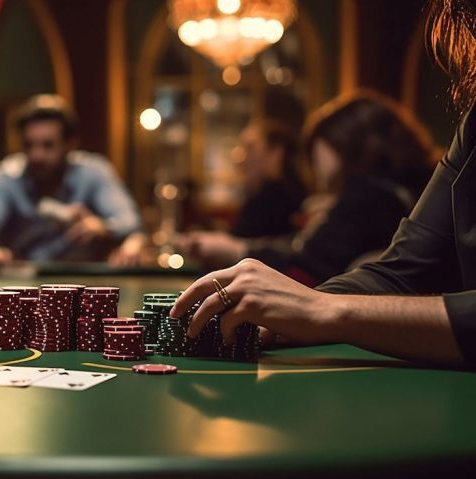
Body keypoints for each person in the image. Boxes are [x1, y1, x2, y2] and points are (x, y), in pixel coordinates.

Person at [171, 0, 476, 367]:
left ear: (344, 144)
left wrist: (325, 309)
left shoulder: (369, 194)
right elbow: (401, 271)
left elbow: (314, 265)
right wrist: (295, 317)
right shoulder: (472, 124)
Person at [176, 91, 437, 287]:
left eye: (317, 145)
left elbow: (311, 260)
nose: (313, 160)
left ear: (342, 141)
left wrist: (235, 249)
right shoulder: (401, 188)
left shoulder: (372, 195)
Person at [0, 94, 146, 267]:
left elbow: (129, 221)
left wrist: (103, 227)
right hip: (24, 288)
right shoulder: (4, 179)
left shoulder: (93, 172)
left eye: (48, 145)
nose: (36, 155)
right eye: (29, 145)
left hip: (83, 287)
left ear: (70, 144)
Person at [229, 121, 305, 238]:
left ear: (276, 153)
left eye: (250, 148)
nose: (241, 158)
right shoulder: (272, 192)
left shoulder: (274, 197)